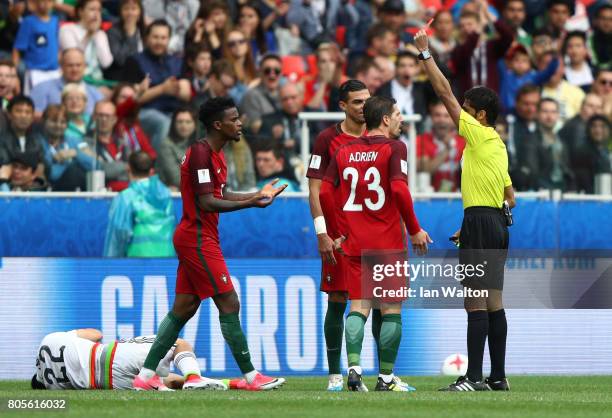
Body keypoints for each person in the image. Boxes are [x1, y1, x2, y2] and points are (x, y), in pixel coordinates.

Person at [133, 97, 287, 391]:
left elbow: (221, 193)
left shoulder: (215, 154)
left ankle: (145, 376)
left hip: (199, 235)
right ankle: (252, 377)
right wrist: (252, 202)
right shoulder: (201, 154)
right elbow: (206, 202)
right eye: (234, 118)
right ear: (218, 124)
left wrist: (255, 195)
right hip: (197, 238)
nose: (240, 123)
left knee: (184, 307)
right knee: (229, 301)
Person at [414, 27, 515, 391]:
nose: (462, 116)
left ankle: (472, 378)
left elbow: (443, 92)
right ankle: (497, 377)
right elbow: (510, 196)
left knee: (474, 303)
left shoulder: (478, 133)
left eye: (468, 111)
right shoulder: (497, 145)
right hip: (495, 222)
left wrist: (426, 54)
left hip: (483, 222)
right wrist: (473, 220)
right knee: (493, 302)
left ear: (481, 116)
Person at [318, 95, 431, 392]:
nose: (401, 119)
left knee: (358, 306)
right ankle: (386, 378)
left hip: (355, 241)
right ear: (384, 119)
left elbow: (326, 193)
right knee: (391, 309)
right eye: (397, 114)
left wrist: (338, 230)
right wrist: (415, 229)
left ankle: (353, 372)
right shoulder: (395, 147)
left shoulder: (344, 149)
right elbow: (398, 189)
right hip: (387, 241)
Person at [31, 328, 226, 390]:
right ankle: (193, 377)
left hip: (109, 383)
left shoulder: (51, 385)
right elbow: (96, 334)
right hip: (111, 355)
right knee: (177, 343)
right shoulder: (48, 339)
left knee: (169, 381)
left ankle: (233, 384)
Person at [122, 19, 192, 150]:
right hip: (144, 112)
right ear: (147, 38)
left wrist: (176, 89)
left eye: (163, 38)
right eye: (155, 37)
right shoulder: (134, 61)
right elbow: (132, 99)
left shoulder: (177, 61)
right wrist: (162, 89)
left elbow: (186, 94)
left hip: (173, 111)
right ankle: (157, 164)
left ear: (168, 39)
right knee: (164, 123)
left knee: (195, 120)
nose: (159, 42)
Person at [103, 151, 175, 257]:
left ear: (129, 169)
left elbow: (118, 235)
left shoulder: (125, 198)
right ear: (151, 171)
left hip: (137, 265)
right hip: (167, 260)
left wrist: (109, 265)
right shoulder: (166, 195)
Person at [30, 48, 103, 116]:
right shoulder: (42, 89)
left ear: (85, 67)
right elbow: (33, 115)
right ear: (61, 66)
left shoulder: (95, 94)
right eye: (70, 65)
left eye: (78, 65)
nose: (74, 69)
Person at [59, 0, 113, 87]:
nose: (96, 14)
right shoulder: (67, 29)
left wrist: (97, 35)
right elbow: (72, 58)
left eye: (99, 10)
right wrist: (89, 34)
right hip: (75, 80)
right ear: (80, 12)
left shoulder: (100, 34)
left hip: (97, 81)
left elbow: (106, 63)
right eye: (92, 9)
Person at [12, 0, 61, 94]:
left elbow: (58, 46)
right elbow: (17, 49)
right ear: (35, 3)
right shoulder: (28, 22)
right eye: (42, 1)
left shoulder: (55, 21)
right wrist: (15, 73)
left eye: (49, 1)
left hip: (54, 71)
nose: (45, 4)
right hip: (35, 71)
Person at [417, 100, 466, 192]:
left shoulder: (464, 142)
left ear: (453, 119)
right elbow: (425, 169)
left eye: (446, 116)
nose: (441, 120)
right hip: (428, 199)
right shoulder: (421, 140)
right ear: (431, 118)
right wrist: (447, 149)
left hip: (457, 199)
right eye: (437, 115)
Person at [39, 104, 89, 191]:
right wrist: (71, 163)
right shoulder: (37, 142)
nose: (58, 125)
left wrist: (76, 153)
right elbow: (53, 174)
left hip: (76, 191)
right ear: (44, 121)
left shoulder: (75, 140)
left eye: (63, 122)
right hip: (50, 192)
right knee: (74, 171)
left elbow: (95, 165)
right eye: (54, 121)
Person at [376, 51, 429, 133]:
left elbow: (446, 74)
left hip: (418, 138)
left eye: (411, 66)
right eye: (402, 65)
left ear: (417, 69)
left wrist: (424, 54)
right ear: (396, 68)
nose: (406, 69)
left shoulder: (422, 89)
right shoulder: (383, 90)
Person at [535, 98, 574, 191]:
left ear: (557, 115)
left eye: (553, 112)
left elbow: (567, 169)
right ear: (537, 114)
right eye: (545, 111)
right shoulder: (530, 140)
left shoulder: (562, 141)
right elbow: (532, 174)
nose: (549, 116)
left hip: (562, 192)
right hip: (541, 194)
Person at [0, 95, 44, 176]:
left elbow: (41, 166)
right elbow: (6, 165)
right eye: (18, 111)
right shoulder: (2, 139)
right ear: (9, 114)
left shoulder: (37, 140)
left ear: (32, 117)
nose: (23, 116)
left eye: (28, 112)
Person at [239, 53, 283, 134]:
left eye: (276, 71)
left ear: (281, 73)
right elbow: (255, 128)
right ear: (260, 73)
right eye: (267, 71)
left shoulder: (286, 93)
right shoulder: (252, 95)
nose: (272, 74)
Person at [105, 0, 146, 81]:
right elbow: (121, 60)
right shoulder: (113, 31)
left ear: (140, 12)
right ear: (120, 12)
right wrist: (130, 35)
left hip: (143, 73)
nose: (130, 13)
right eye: (126, 9)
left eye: (134, 9)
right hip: (121, 75)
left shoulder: (144, 30)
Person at [157, 107, 197, 190]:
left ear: (195, 125)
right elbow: (176, 179)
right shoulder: (166, 145)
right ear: (173, 124)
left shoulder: (199, 145)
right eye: (180, 122)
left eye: (188, 122)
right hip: (173, 194)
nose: (184, 125)